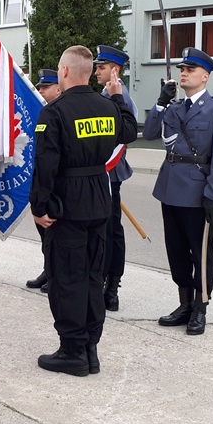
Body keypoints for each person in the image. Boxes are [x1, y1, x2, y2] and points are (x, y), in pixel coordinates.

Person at [29, 46, 138, 378]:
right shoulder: (107, 106)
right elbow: (130, 131)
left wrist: (39, 206)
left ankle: (72, 351)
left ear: (63, 71)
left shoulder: (55, 111)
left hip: (68, 204)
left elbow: (45, 166)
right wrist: (118, 98)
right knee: (92, 276)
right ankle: (90, 348)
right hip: (98, 199)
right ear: (89, 72)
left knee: (66, 279)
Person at [142, 47, 213, 336]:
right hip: (170, 189)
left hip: (198, 193)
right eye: (182, 69)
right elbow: (147, 134)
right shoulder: (174, 108)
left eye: (190, 70)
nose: (184, 73)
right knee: (177, 252)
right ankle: (184, 304)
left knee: (201, 254)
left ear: (205, 76)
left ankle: (200, 308)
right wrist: (160, 103)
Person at [93, 46, 138, 311]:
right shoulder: (105, 94)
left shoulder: (120, 97)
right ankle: (103, 282)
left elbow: (124, 133)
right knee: (106, 229)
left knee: (111, 231)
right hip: (103, 172)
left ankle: (111, 287)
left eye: (102, 66)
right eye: (97, 66)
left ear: (115, 70)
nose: (97, 71)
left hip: (110, 172)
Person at [25, 69, 61, 293]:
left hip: (57, 185)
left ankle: (56, 275)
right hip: (43, 184)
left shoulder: (60, 113)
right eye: (39, 87)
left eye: (46, 87)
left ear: (59, 88)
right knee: (45, 235)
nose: (40, 91)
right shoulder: (43, 112)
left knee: (56, 235)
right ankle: (48, 270)